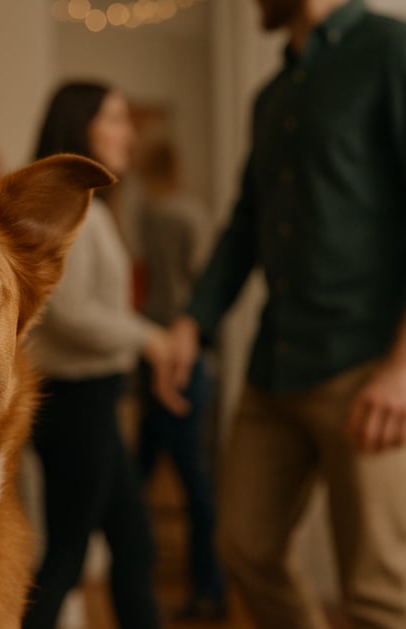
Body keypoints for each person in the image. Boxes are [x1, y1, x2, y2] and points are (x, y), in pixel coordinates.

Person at [155, 1, 406, 628]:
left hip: (368, 369)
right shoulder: (272, 95)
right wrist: (194, 320)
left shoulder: (396, 52)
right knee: (243, 548)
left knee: (376, 592)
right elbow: (247, 222)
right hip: (275, 366)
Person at [23, 81, 184, 629]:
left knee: (134, 547)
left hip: (94, 399)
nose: (129, 133)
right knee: (66, 559)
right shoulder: (68, 215)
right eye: (114, 119)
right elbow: (66, 311)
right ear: (80, 128)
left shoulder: (91, 209)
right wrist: (149, 338)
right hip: (74, 404)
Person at [131, 138, 226, 621]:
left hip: (164, 352)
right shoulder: (185, 214)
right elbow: (201, 286)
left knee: (156, 480)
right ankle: (190, 589)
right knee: (186, 481)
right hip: (179, 353)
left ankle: (203, 587)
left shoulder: (157, 215)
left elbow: (165, 282)